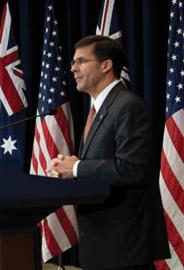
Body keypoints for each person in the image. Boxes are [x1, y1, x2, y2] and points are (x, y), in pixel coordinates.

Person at [48, 35, 169, 269]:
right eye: (73, 62)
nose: (73, 68)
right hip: (100, 241)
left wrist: (76, 167)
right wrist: (71, 168)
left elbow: (132, 169)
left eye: (81, 61)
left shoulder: (128, 106)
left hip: (123, 245)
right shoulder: (101, 108)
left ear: (106, 65)